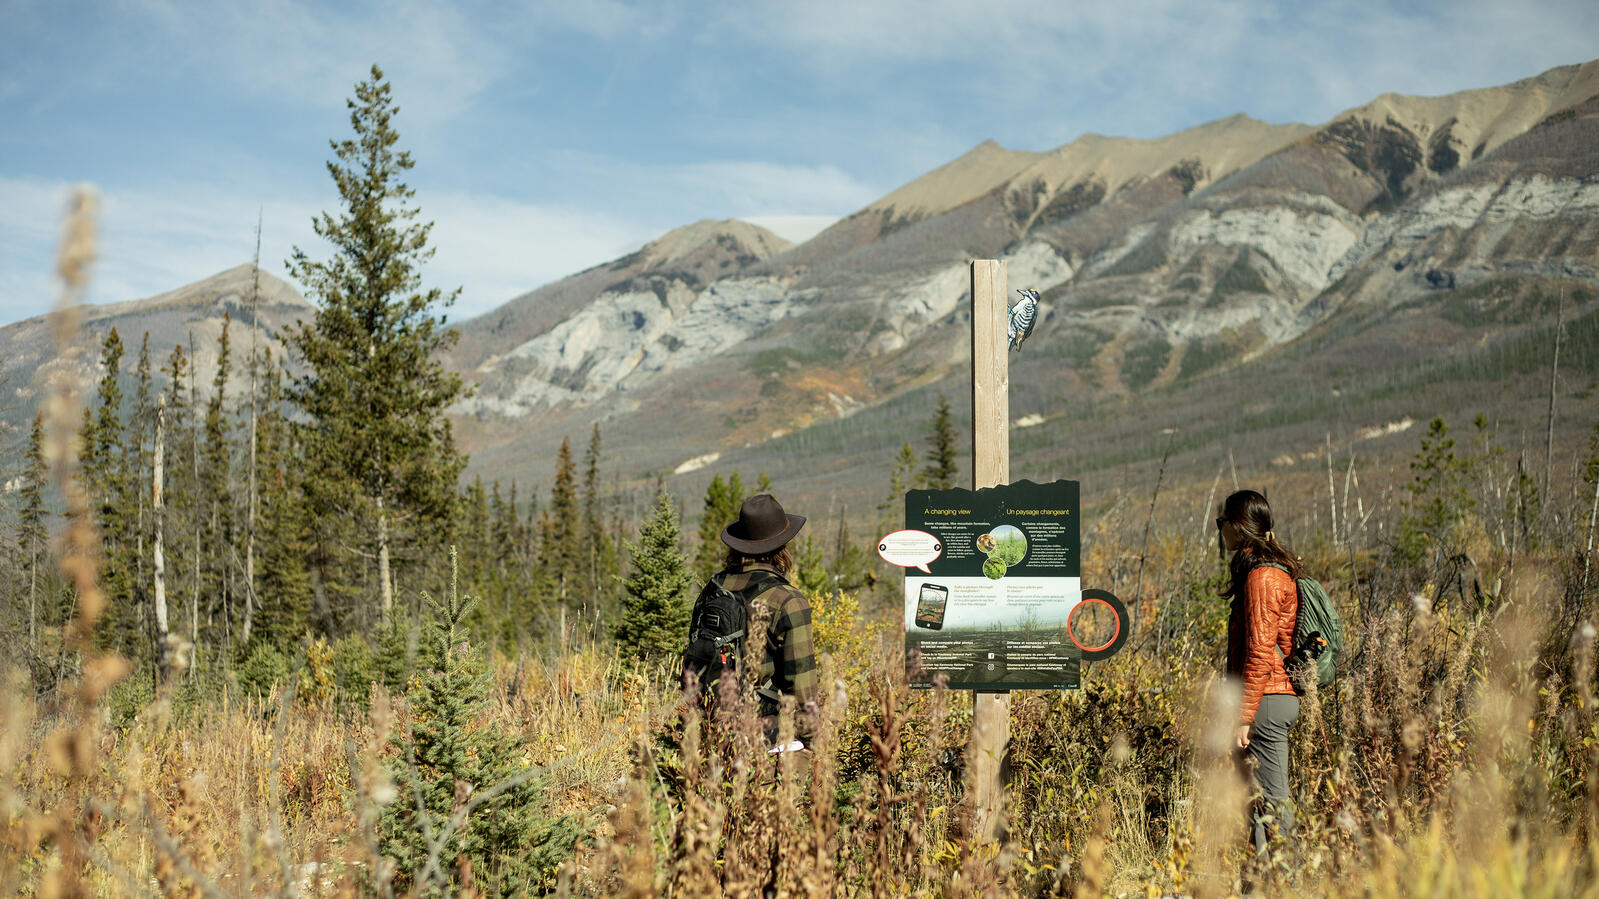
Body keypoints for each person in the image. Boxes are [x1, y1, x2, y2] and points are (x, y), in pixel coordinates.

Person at [686, 493, 819, 747]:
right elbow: (804, 694)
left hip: (708, 730)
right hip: (765, 740)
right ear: (782, 547)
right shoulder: (788, 600)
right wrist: (816, 747)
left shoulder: (712, 590)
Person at [1217, 488, 1301, 853]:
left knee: (1274, 803)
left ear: (1238, 527)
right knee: (1255, 804)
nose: (1219, 529)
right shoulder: (1258, 571)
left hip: (1265, 701)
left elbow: (1260, 653)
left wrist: (1244, 716)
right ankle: (1262, 884)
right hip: (1264, 698)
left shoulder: (1262, 577)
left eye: (1222, 522)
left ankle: (1291, 884)